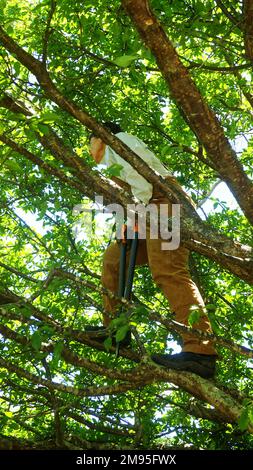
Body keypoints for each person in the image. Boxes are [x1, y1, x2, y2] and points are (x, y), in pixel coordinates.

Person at [89, 122, 217, 378]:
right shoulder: (110, 160)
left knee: (169, 271)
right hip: (148, 209)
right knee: (114, 261)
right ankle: (115, 329)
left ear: (100, 136)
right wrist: (125, 226)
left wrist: (131, 221)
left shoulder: (120, 140)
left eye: (89, 143)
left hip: (164, 204)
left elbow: (143, 183)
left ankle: (201, 351)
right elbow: (128, 198)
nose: (89, 151)